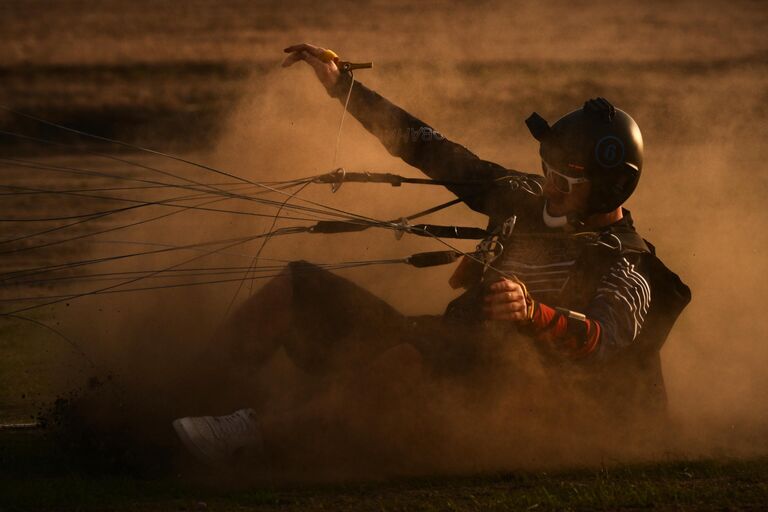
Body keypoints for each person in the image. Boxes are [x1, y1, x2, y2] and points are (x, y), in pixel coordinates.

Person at [172, 44, 691, 465]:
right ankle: (163, 415)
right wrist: (345, 89)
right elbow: (432, 150)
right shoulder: (520, 196)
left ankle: (253, 439)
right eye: (547, 169)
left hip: (504, 409)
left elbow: (601, 341)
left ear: (607, 189)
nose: (549, 186)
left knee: (408, 358)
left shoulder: (630, 265)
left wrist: (535, 313)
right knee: (298, 287)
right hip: (445, 348)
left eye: (565, 179)